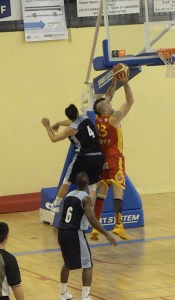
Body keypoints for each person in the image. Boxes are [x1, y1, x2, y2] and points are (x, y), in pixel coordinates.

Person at [57, 172, 117, 300]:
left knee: (67, 262)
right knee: (87, 264)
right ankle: (85, 296)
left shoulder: (68, 195)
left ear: (76, 183)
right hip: (75, 232)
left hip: (62, 230)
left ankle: (62, 293)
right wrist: (106, 234)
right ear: (87, 184)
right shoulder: (86, 199)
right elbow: (91, 219)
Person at [91, 70, 134, 241]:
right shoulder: (114, 118)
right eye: (109, 104)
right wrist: (125, 83)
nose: (111, 104)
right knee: (118, 193)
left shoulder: (98, 118)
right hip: (115, 158)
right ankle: (119, 225)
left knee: (101, 194)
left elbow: (106, 99)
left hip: (103, 160)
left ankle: (95, 229)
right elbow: (130, 101)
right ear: (107, 109)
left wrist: (114, 82)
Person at [42, 104, 104, 212]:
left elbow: (54, 138)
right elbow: (73, 121)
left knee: (67, 180)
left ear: (69, 116)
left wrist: (47, 126)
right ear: (77, 112)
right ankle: (90, 213)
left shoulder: (72, 129)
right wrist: (59, 123)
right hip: (98, 156)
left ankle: (55, 205)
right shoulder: (85, 117)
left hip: (84, 157)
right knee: (93, 187)